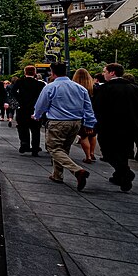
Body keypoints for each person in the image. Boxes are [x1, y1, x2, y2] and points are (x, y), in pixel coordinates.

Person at [32, 62, 95, 191]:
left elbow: (41, 104)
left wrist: (37, 115)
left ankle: (77, 171)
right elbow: (88, 107)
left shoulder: (51, 87)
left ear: (52, 72)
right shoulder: (80, 88)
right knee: (64, 149)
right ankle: (57, 175)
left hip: (58, 121)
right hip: (76, 122)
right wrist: (89, 123)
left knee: (53, 149)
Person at [93, 63, 138, 192]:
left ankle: (125, 173)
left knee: (108, 151)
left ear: (112, 73)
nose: (104, 74)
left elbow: (98, 109)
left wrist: (95, 125)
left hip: (110, 127)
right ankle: (119, 175)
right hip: (130, 127)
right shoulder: (135, 88)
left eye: (105, 72)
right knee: (124, 151)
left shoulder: (106, 89)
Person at [14, 65, 46, 155]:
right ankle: (35, 148)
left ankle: (25, 143)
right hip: (34, 109)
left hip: (23, 108)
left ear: (25, 73)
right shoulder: (40, 84)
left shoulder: (20, 82)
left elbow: (13, 91)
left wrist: (19, 99)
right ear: (35, 73)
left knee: (23, 127)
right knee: (35, 130)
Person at [72, 68, 98, 164]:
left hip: (80, 114)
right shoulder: (94, 88)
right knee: (93, 134)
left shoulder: (75, 88)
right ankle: (92, 152)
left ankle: (87, 156)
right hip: (94, 113)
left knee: (84, 136)